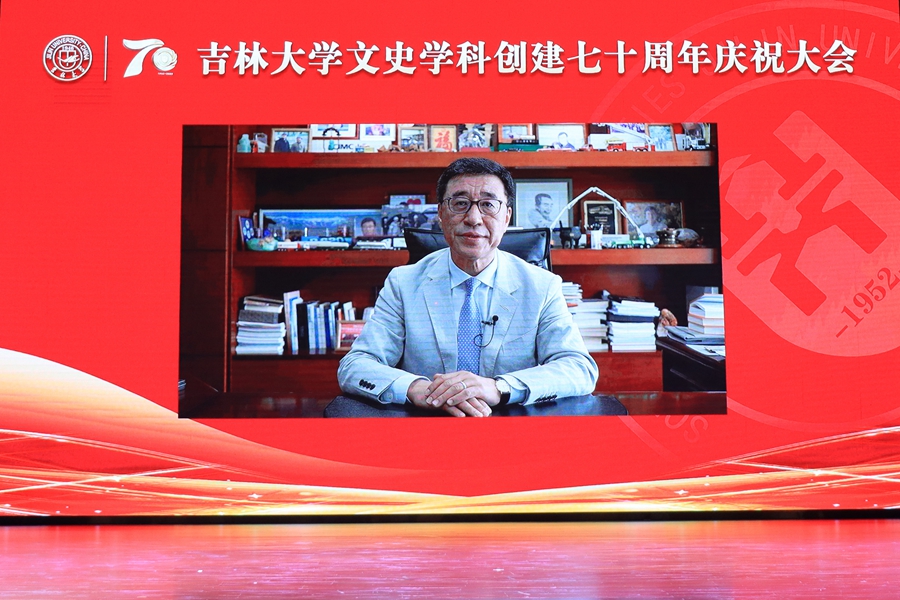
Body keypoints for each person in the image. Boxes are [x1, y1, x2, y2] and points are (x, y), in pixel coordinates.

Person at [338, 157, 598, 417]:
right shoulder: (403, 283)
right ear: (441, 214)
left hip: (511, 425)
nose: (474, 218)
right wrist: (416, 388)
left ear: (506, 217)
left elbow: (578, 368)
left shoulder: (541, 286)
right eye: (460, 203)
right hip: (427, 423)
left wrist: (500, 387)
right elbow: (355, 365)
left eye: (488, 205)